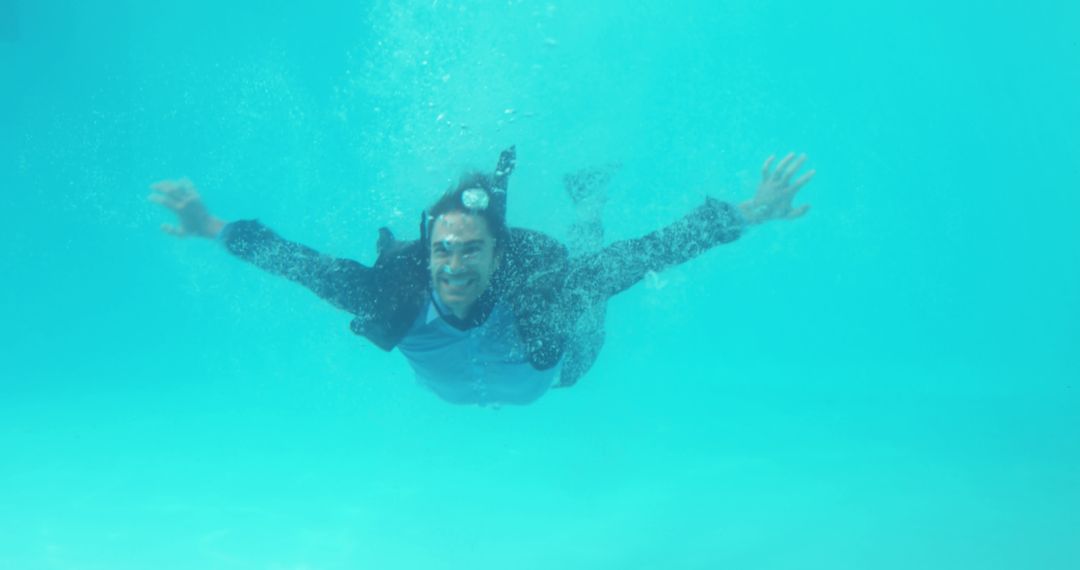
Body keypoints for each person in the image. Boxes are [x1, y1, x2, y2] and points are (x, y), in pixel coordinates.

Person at [150, 147, 814, 406]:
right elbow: (301, 265)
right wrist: (212, 227)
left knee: (592, 292)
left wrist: (749, 211)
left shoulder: (540, 297)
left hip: (557, 365)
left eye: (469, 252)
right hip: (479, 383)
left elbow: (645, 254)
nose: (452, 267)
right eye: (442, 252)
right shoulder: (393, 293)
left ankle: (587, 202)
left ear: (497, 254)